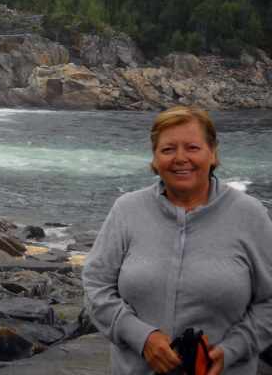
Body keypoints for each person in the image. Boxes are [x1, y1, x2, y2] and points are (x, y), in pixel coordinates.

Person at [82, 106, 272, 374]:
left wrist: (233, 349)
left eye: (192, 148)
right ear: (155, 157)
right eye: (168, 149)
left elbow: (269, 301)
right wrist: (142, 338)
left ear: (212, 153)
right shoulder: (127, 210)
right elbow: (95, 285)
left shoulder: (249, 214)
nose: (180, 158)